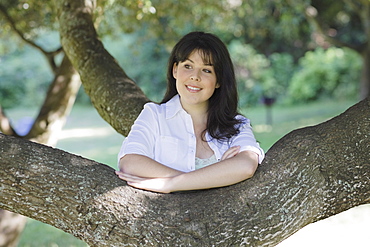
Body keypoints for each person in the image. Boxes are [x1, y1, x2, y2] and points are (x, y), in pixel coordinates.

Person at [115, 31, 264, 193]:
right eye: (188, 66)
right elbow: (130, 162)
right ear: (175, 70)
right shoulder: (154, 115)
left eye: (206, 70)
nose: (195, 76)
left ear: (219, 80)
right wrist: (212, 177)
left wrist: (170, 184)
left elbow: (246, 165)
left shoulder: (237, 125)